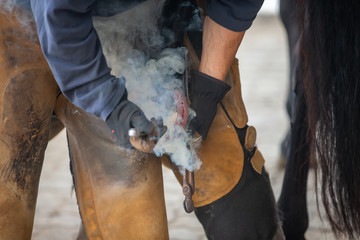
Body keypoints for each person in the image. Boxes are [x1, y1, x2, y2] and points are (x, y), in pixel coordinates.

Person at [0, 0, 284, 239]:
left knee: (240, 203)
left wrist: (209, 83)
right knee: (7, 200)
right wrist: (113, 107)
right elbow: (59, 17)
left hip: (161, 15)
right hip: (23, 21)